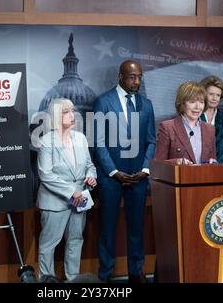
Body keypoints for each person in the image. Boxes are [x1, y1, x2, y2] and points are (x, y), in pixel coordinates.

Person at [92, 60, 156, 283]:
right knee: (107, 229)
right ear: (120, 76)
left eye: (139, 77)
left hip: (138, 178)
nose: (136, 81)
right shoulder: (103, 102)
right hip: (111, 179)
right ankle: (105, 275)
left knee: (136, 228)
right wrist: (113, 172)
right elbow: (98, 143)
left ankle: (136, 272)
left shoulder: (146, 105)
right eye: (132, 77)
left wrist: (145, 169)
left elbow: (151, 141)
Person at [37, 98, 97, 282]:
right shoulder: (46, 141)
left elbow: (89, 165)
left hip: (80, 201)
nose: (72, 115)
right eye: (66, 112)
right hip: (55, 202)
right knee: (49, 245)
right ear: (55, 116)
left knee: (75, 241)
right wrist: (72, 191)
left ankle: (73, 280)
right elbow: (45, 174)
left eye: (72, 111)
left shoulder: (80, 137)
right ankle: (47, 284)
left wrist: (91, 176)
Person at [155, 81, 217, 164]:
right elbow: (158, 164)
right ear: (182, 103)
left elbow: (213, 159)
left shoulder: (210, 129)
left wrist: (213, 162)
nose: (197, 107)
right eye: (192, 102)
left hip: (204, 176)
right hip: (178, 176)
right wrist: (176, 162)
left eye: (201, 102)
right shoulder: (167, 127)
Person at [199, 75, 223, 163]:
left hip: (219, 167)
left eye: (218, 95)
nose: (214, 98)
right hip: (197, 167)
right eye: (211, 94)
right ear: (203, 94)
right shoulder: (195, 115)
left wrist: (217, 163)